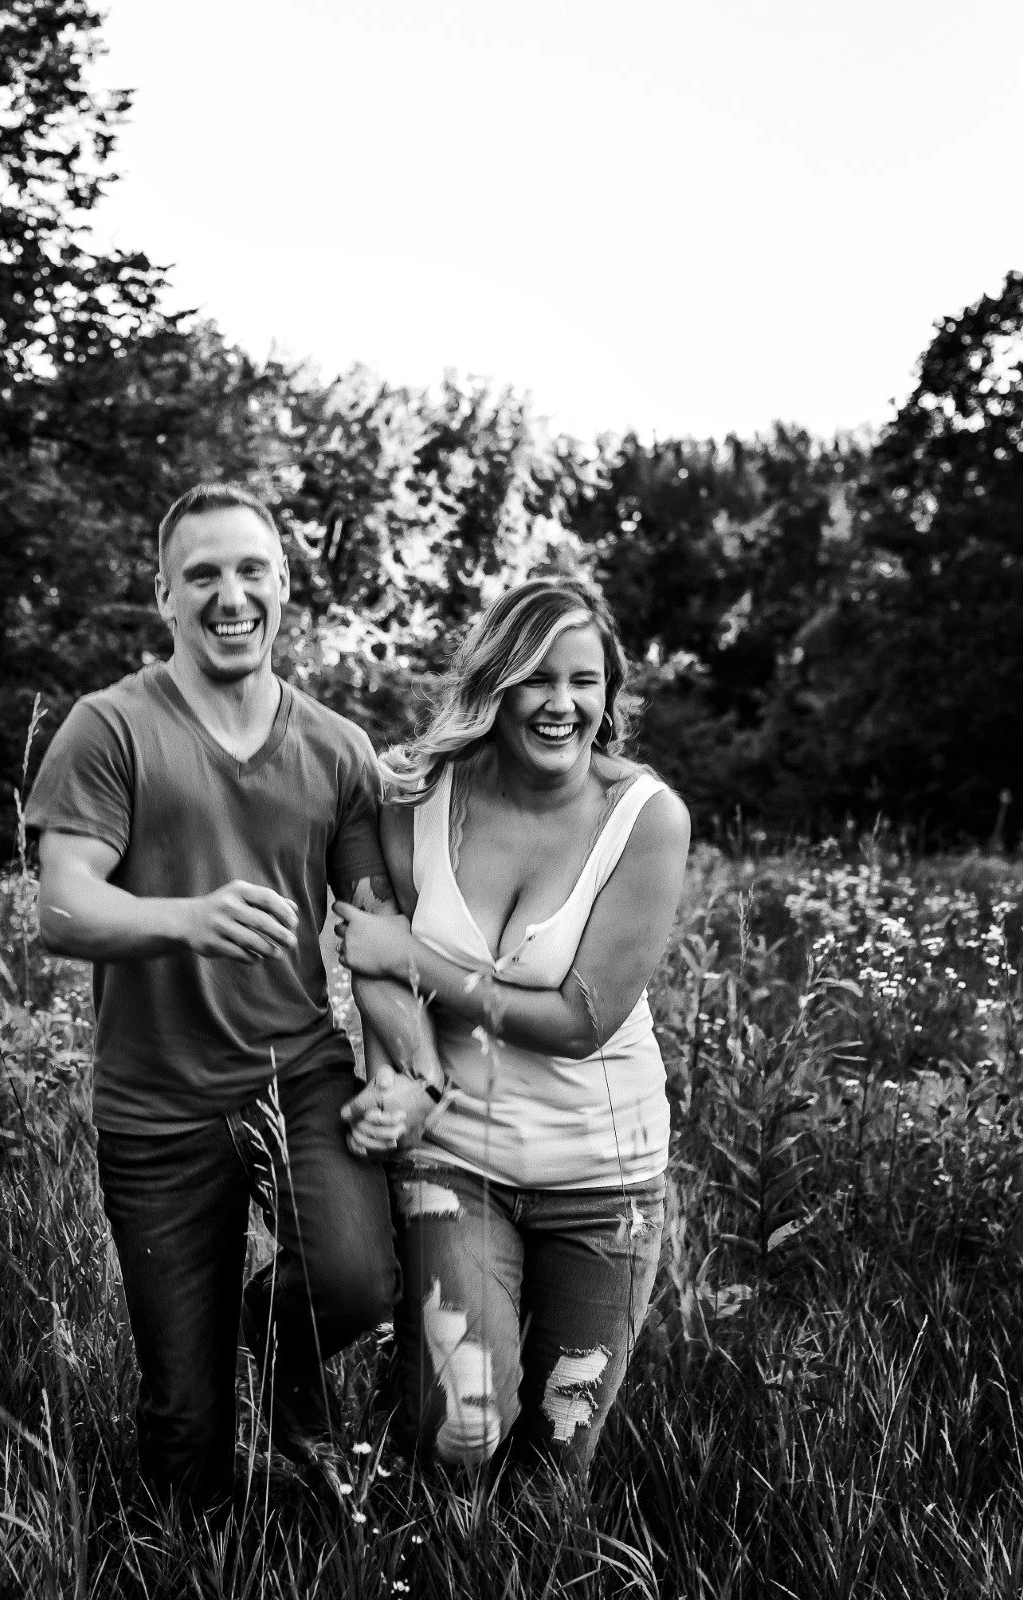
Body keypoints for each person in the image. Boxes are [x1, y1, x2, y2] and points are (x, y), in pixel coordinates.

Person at [24, 482, 431, 1509]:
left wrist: (404, 1074)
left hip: (296, 1073)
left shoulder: (338, 750)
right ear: (164, 595)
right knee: (183, 1436)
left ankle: (267, 1351)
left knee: (356, 1281)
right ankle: (190, 1543)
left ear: (284, 586)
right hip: (156, 1105)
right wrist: (187, 918)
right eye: (202, 574)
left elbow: (376, 942)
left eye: (251, 570)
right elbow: (63, 909)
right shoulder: (109, 728)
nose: (230, 593)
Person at [332, 577, 690, 1491]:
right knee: (459, 1426)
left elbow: (578, 1019)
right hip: (456, 1157)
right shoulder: (414, 793)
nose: (561, 704)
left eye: (585, 681)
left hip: (605, 1179)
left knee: (556, 1456)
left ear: (609, 697)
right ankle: (416, 1520)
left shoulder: (644, 819)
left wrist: (418, 955)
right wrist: (400, 1074)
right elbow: (369, 957)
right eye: (536, 679)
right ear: (495, 683)